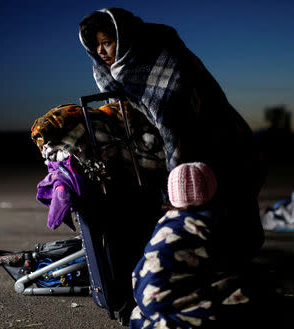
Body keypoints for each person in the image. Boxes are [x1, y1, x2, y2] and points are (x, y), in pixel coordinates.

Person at [79, 8, 265, 270]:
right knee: (202, 204)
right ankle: (209, 258)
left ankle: (230, 262)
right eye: (95, 46)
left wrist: (173, 183)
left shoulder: (163, 57)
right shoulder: (112, 73)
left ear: (125, 39)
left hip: (218, 136)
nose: (100, 52)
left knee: (224, 193)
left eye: (107, 42)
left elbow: (174, 123)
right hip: (179, 143)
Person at [130, 163, 275, 329]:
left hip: (145, 298)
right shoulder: (206, 226)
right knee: (247, 290)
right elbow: (225, 266)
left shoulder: (166, 222)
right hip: (166, 299)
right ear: (212, 191)